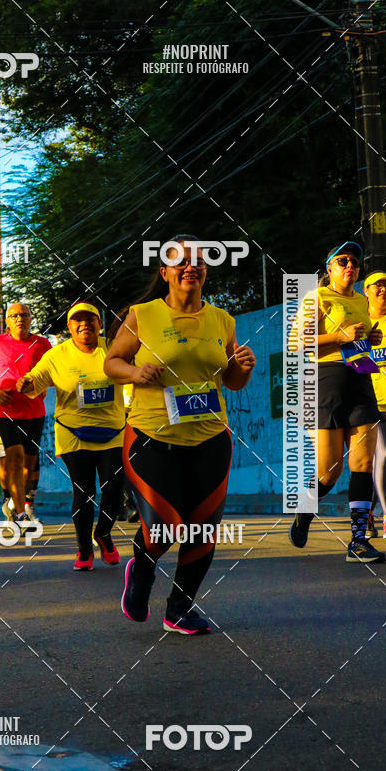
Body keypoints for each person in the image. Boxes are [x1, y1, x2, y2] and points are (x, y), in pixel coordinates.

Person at [104, 236, 256, 634]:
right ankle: (141, 571)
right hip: (152, 436)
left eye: (198, 262)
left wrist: (243, 366)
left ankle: (179, 609)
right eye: (180, 261)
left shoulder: (222, 320)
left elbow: (232, 381)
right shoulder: (143, 315)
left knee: (203, 529)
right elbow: (112, 361)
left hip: (210, 439)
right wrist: (136, 373)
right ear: (165, 271)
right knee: (165, 527)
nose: (191, 267)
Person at [288, 242, 386, 563]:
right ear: (329, 268)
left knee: (363, 464)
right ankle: (305, 509)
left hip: (360, 378)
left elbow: (361, 336)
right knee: (330, 472)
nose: (350, 266)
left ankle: (358, 540)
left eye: (355, 262)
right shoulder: (316, 298)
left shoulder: (361, 299)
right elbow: (296, 343)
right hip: (325, 380)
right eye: (342, 260)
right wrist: (339, 337)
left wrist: (367, 339)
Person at [17, 302, 124, 569]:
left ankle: (103, 532)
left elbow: (138, 370)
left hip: (114, 431)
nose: (85, 324)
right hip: (73, 432)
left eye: (91, 319)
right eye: (78, 320)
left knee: (114, 489)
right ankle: (84, 549)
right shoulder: (57, 355)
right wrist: (26, 383)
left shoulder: (115, 347)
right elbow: (35, 379)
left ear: (100, 324)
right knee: (84, 491)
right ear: (69, 326)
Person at [0, 303, 51, 524]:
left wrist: (42, 385)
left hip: (35, 412)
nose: (20, 319)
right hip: (6, 412)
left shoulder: (42, 343)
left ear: (30, 318)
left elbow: (55, 371)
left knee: (29, 465)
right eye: (14, 315)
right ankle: (19, 512)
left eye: (24, 315)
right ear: (7, 321)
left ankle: (23, 502)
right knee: (12, 461)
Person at [364, 271, 386, 539]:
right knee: (383, 455)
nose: (383, 290)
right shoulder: (360, 325)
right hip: (370, 403)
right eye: (378, 286)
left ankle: (367, 513)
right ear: (367, 292)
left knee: (377, 462)